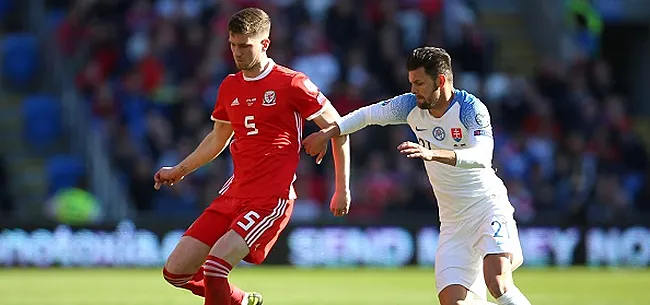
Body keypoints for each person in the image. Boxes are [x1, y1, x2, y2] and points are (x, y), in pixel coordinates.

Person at [303, 47, 531, 305]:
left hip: (487, 206)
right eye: (411, 82)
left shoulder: (470, 109)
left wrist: (433, 154)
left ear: (441, 81)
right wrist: (325, 134)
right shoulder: (410, 105)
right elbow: (366, 115)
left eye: (420, 83)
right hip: (453, 221)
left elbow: (482, 157)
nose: (413, 90)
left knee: (498, 283)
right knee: (453, 302)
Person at [154, 7, 351, 305]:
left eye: (244, 46)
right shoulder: (230, 85)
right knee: (176, 271)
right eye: (233, 45)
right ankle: (242, 301)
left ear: (265, 44)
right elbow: (218, 138)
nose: (237, 52)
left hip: (270, 199)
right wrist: (180, 169)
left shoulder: (292, 83)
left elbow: (340, 127)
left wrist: (342, 189)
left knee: (215, 267)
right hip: (233, 194)